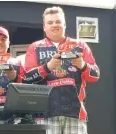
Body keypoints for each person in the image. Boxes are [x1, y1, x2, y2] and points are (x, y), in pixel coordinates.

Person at [24, 6, 100, 134]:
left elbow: (95, 75)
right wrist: (48, 67)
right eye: (50, 22)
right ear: (44, 27)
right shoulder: (35, 47)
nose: (54, 25)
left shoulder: (79, 45)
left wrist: (82, 65)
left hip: (75, 113)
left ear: (64, 24)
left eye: (58, 21)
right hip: (44, 114)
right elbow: (26, 78)